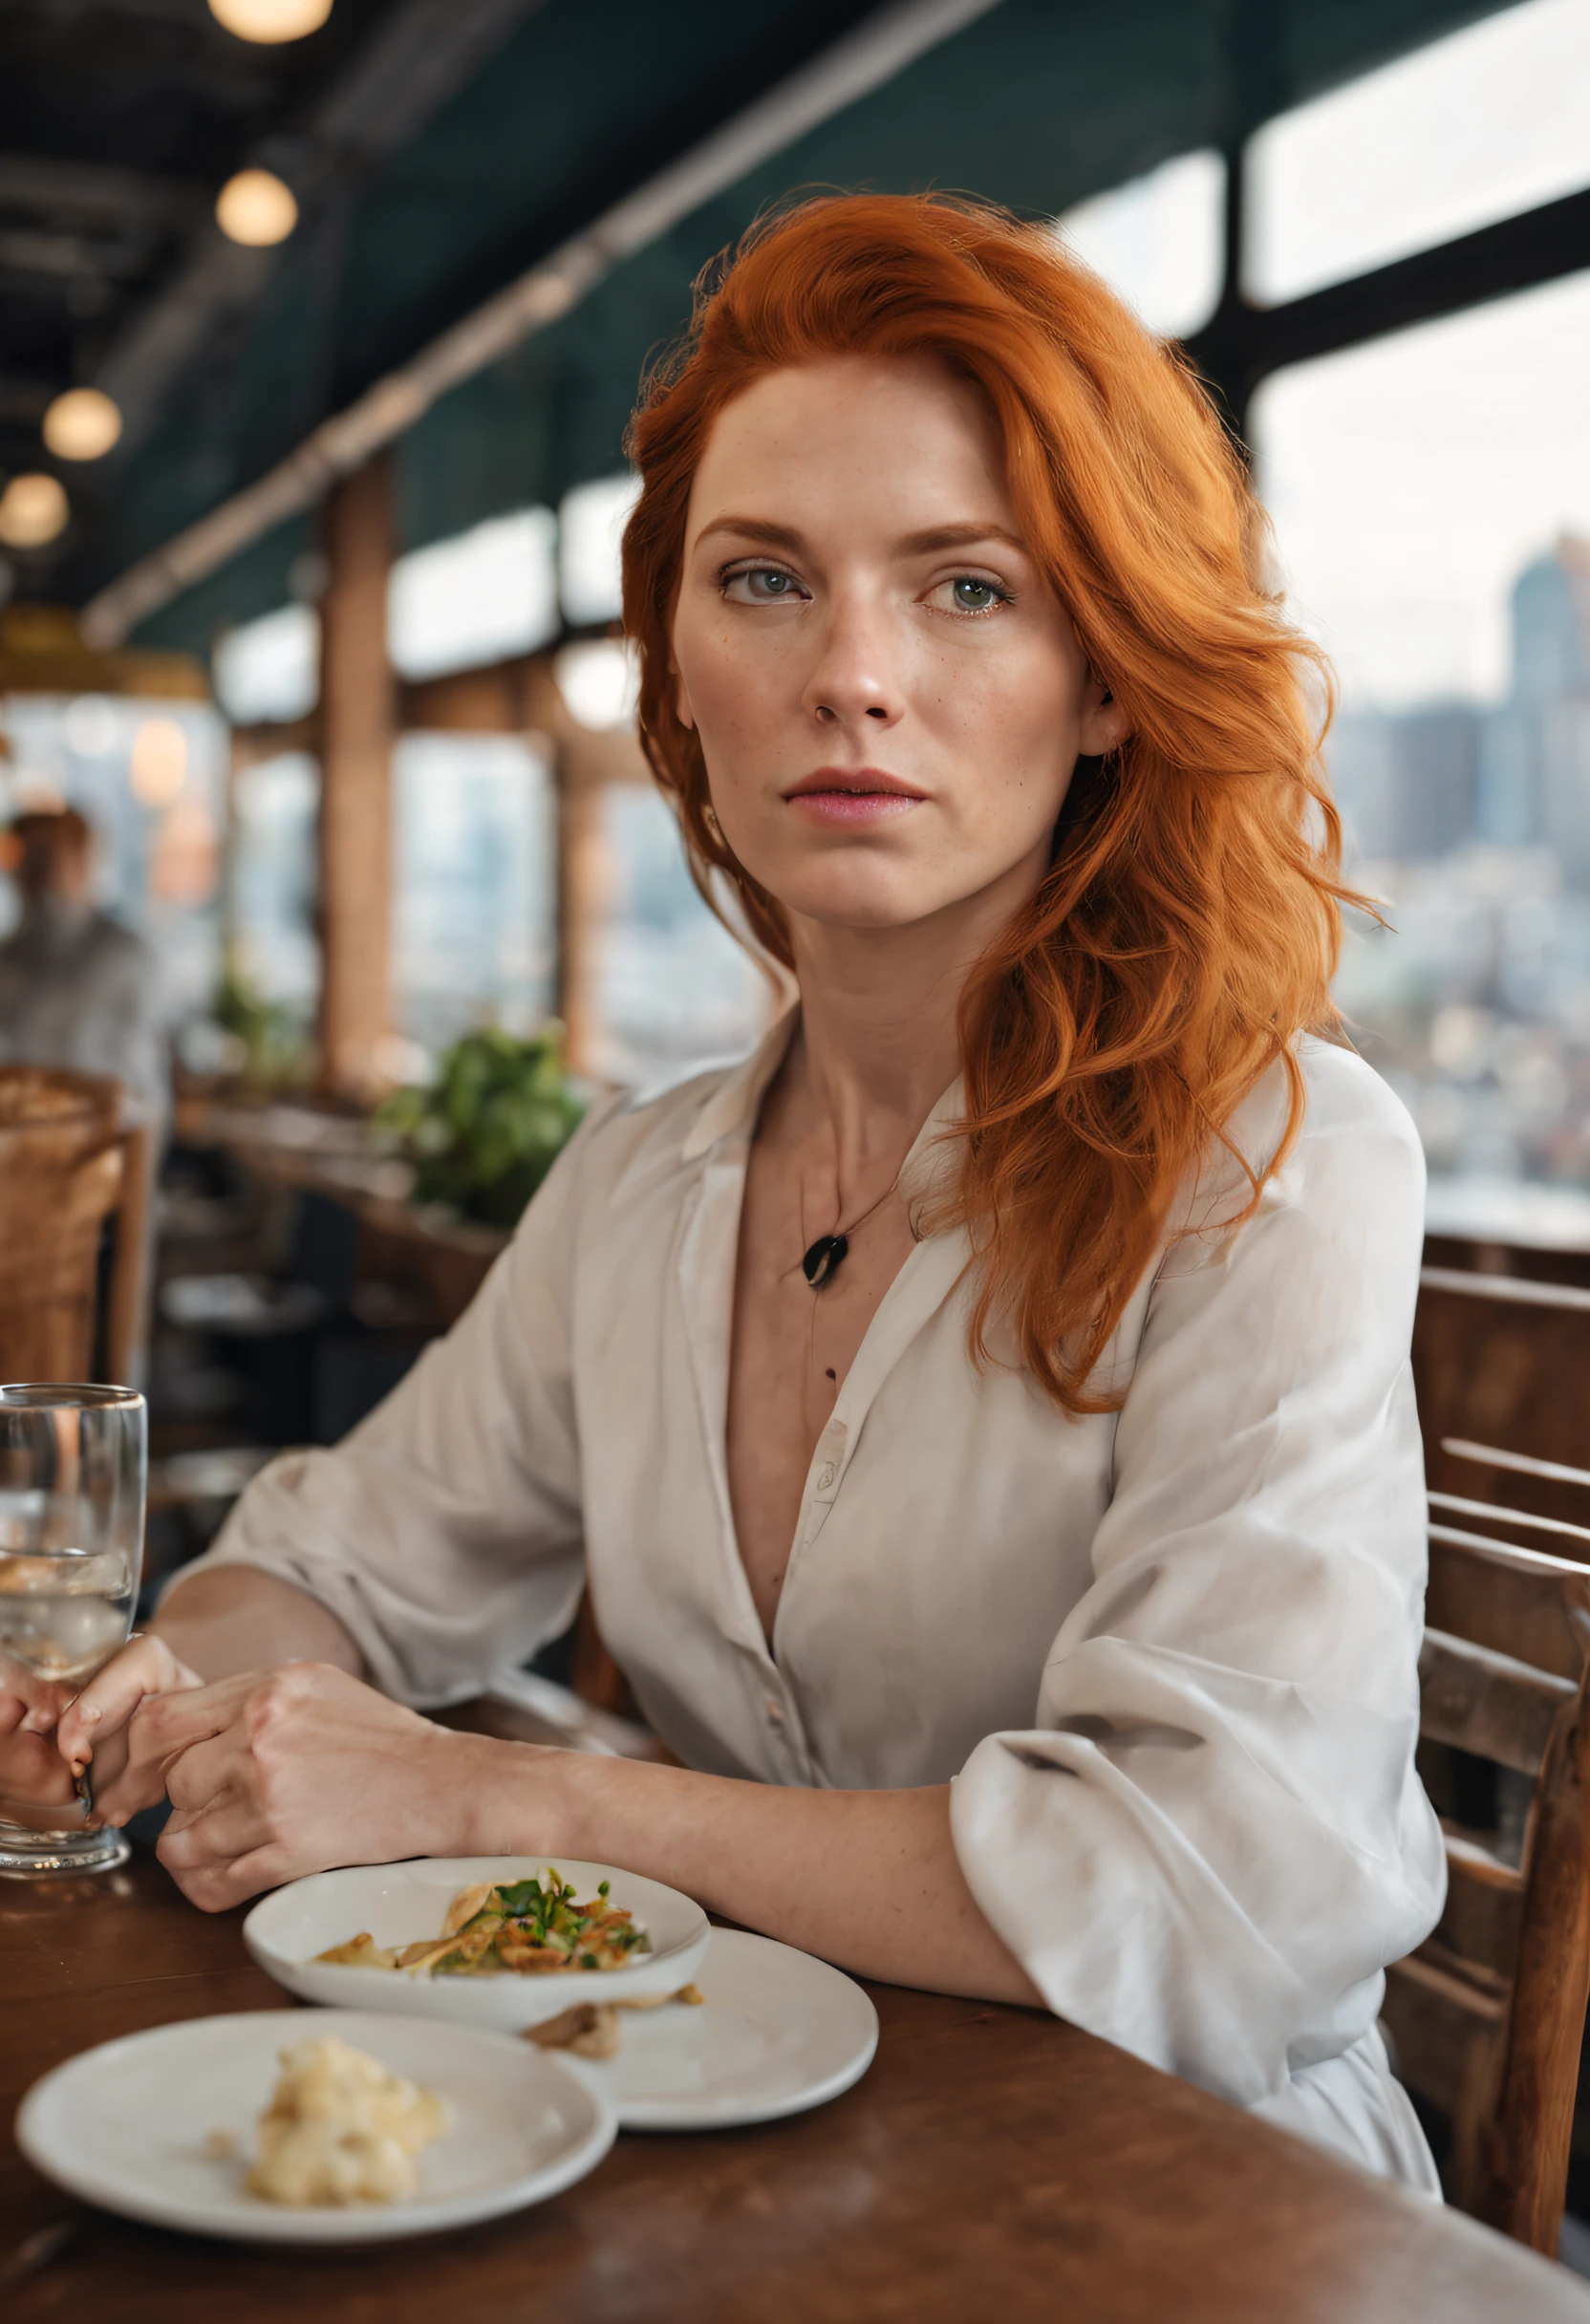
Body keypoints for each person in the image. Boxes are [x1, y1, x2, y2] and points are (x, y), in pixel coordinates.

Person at [21, 194, 1445, 2186]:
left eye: (965, 590)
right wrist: (175, 1692)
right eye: (764, 579)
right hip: (755, 2159)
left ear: (1109, 677)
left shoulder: (1279, 1162)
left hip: (1192, 2209)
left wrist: (503, 1799)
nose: (853, 675)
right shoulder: (639, 1179)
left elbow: (1206, 1884)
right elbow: (326, 1573)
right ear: (674, 672)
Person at [0, 805, 166, 1130]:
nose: (29, 872)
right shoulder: (10, 956)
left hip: (93, 1157)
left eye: (45, 857)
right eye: (23, 858)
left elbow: (142, 1089)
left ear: (82, 859)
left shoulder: (122, 955)